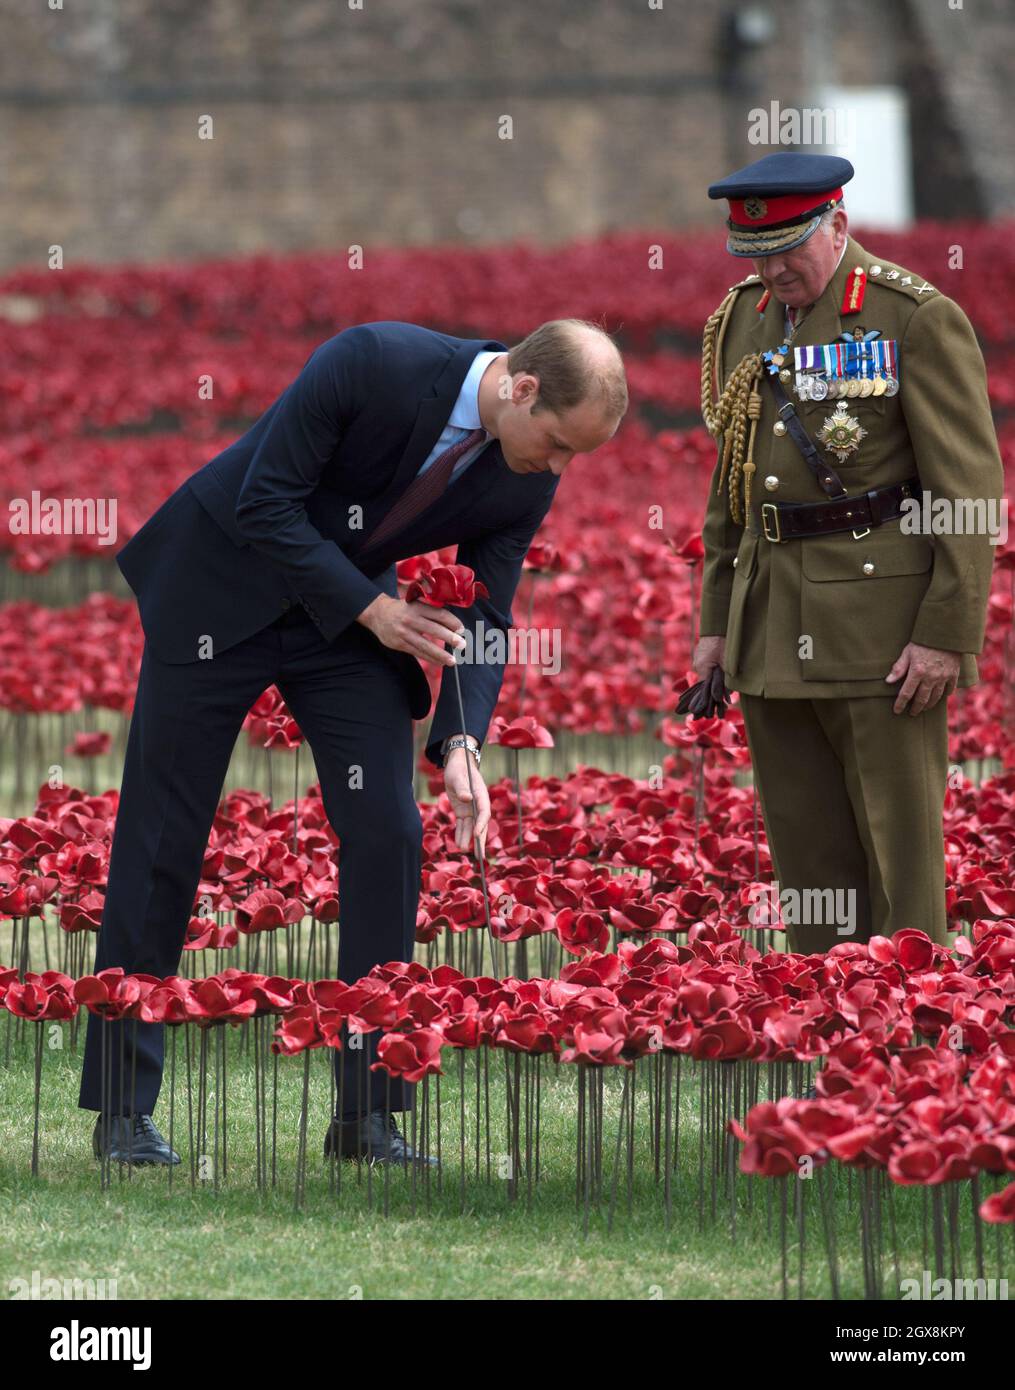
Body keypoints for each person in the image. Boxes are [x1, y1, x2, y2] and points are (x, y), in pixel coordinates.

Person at [80, 318, 627, 1164]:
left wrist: (460, 746)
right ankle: (121, 1110)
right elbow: (265, 500)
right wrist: (376, 610)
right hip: (220, 588)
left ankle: (367, 1115)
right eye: (556, 443)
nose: (556, 469)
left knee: (389, 833)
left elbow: (485, 616)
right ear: (520, 389)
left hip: (344, 628)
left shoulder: (524, 471)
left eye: (572, 456)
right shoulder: (372, 360)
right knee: (164, 832)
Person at [693, 152, 1003, 955]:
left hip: (883, 630)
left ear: (836, 225)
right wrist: (717, 621)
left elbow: (966, 490)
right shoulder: (740, 319)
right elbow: (732, 483)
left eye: (788, 248)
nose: (772, 269)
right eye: (755, 254)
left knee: (898, 852)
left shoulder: (911, 316)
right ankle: (829, 1025)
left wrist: (945, 632)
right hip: (768, 621)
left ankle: (909, 1042)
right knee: (809, 858)